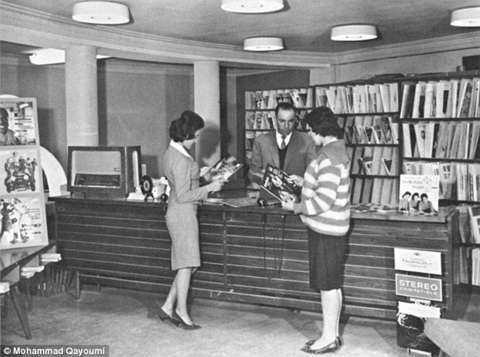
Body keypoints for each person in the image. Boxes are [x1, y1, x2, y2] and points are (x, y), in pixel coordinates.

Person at [281, 106, 350, 354]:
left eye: (310, 131)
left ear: (320, 130)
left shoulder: (328, 158)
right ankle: (332, 335)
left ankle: (329, 338)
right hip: (332, 230)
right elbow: (324, 188)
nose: (309, 135)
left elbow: (324, 201)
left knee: (327, 285)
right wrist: (305, 182)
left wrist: (295, 206)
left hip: (326, 231)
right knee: (332, 284)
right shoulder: (335, 153)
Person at [159, 110, 224, 330]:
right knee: (187, 264)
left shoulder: (171, 152)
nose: (197, 140)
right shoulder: (182, 161)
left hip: (178, 212)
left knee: (187, 264)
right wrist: (210, 187)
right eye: (195, 136)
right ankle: (181, 311)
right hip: (183, 214)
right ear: (186, 135)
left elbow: (181, 184)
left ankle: (168, 306)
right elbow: (185, 195)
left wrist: (200, 175)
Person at [248, 102, 316, 186]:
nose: (286, 125)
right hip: (268, 196)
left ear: (295, 120)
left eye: (290, 121)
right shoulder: (261, 141)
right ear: (275, 119)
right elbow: (253, 172)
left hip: (296, 196)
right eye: (282, 121)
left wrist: (303, 181)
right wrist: (265, 177)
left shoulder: (307, 141)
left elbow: (313, 173)